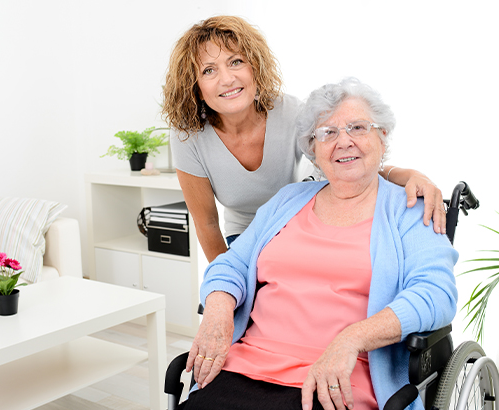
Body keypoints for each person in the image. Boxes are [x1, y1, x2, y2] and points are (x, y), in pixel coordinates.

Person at [181, 78, 458, 410]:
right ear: (313, 149)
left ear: (382, 137)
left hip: (339, 378)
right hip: (245, 367)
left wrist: (352, 338)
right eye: (328, 133)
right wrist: (219, 309)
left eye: (357, 127)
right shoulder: (288, 200)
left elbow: (436, 293)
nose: (344, 142)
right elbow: (232, 264)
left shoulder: (410, 209)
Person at [162, 16, 447, 263]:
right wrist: (228, 289)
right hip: (245, 234)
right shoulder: (190, 137)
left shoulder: (291, 113)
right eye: (209, 70)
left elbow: (345, 159)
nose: (226, 79)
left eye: (236, 62)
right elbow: (208, 223)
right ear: (196, 87)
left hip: (300, 223)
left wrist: (407, 174)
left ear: (255, 69)